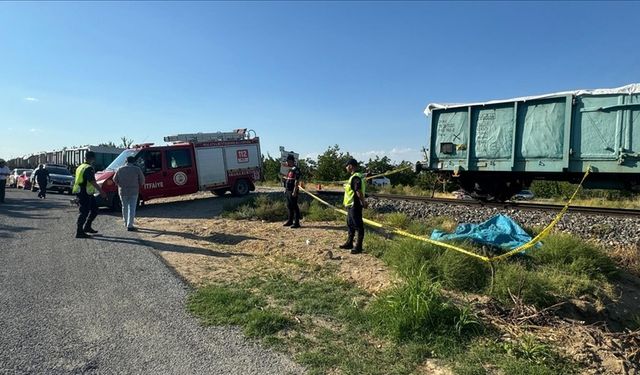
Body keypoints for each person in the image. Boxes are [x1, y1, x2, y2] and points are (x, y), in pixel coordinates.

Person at [72, 151, 107, 238]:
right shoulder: (89, 168)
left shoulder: (80, 167)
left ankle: (87, 227)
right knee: (84, 212)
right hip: (84, 193)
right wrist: (101, 191)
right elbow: (92, 181)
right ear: (92, 158)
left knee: (94, 210)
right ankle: (79, 231)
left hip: (85, 192)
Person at [339, 158, 367, 254]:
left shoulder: (356, 177)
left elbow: (358, 191)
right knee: (350, 224)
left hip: (355, 205)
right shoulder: (353, 177)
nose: (346, 168)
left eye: (347, 166)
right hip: (350, 205)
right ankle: (349, 243)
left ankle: (358, 247)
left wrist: (363, 202)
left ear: (350, 166)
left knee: (358, 226)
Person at [113, 156, 145, 231]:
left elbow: (114, 179)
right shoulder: (137, 169)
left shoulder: (120, 169)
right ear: (133, 161)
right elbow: (142, 180)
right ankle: (130, 225)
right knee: (132, 208)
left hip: (123, 191)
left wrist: (119, 184)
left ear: (126, 161)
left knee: (124, 207)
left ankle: (125, 222)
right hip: (134, 191)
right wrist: (139, 184)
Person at [282, 154, 301, 228]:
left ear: (291, 161)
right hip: (288, 190)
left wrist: (294, 191)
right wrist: (285, 189)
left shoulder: (296, 169)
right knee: (289, 206)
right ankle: (290, 221)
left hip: (293, 190)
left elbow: (297, 181)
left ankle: (297, 223)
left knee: (294, 206)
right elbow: (288, 179)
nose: (287, 163)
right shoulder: (290, 169)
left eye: (287, 161)